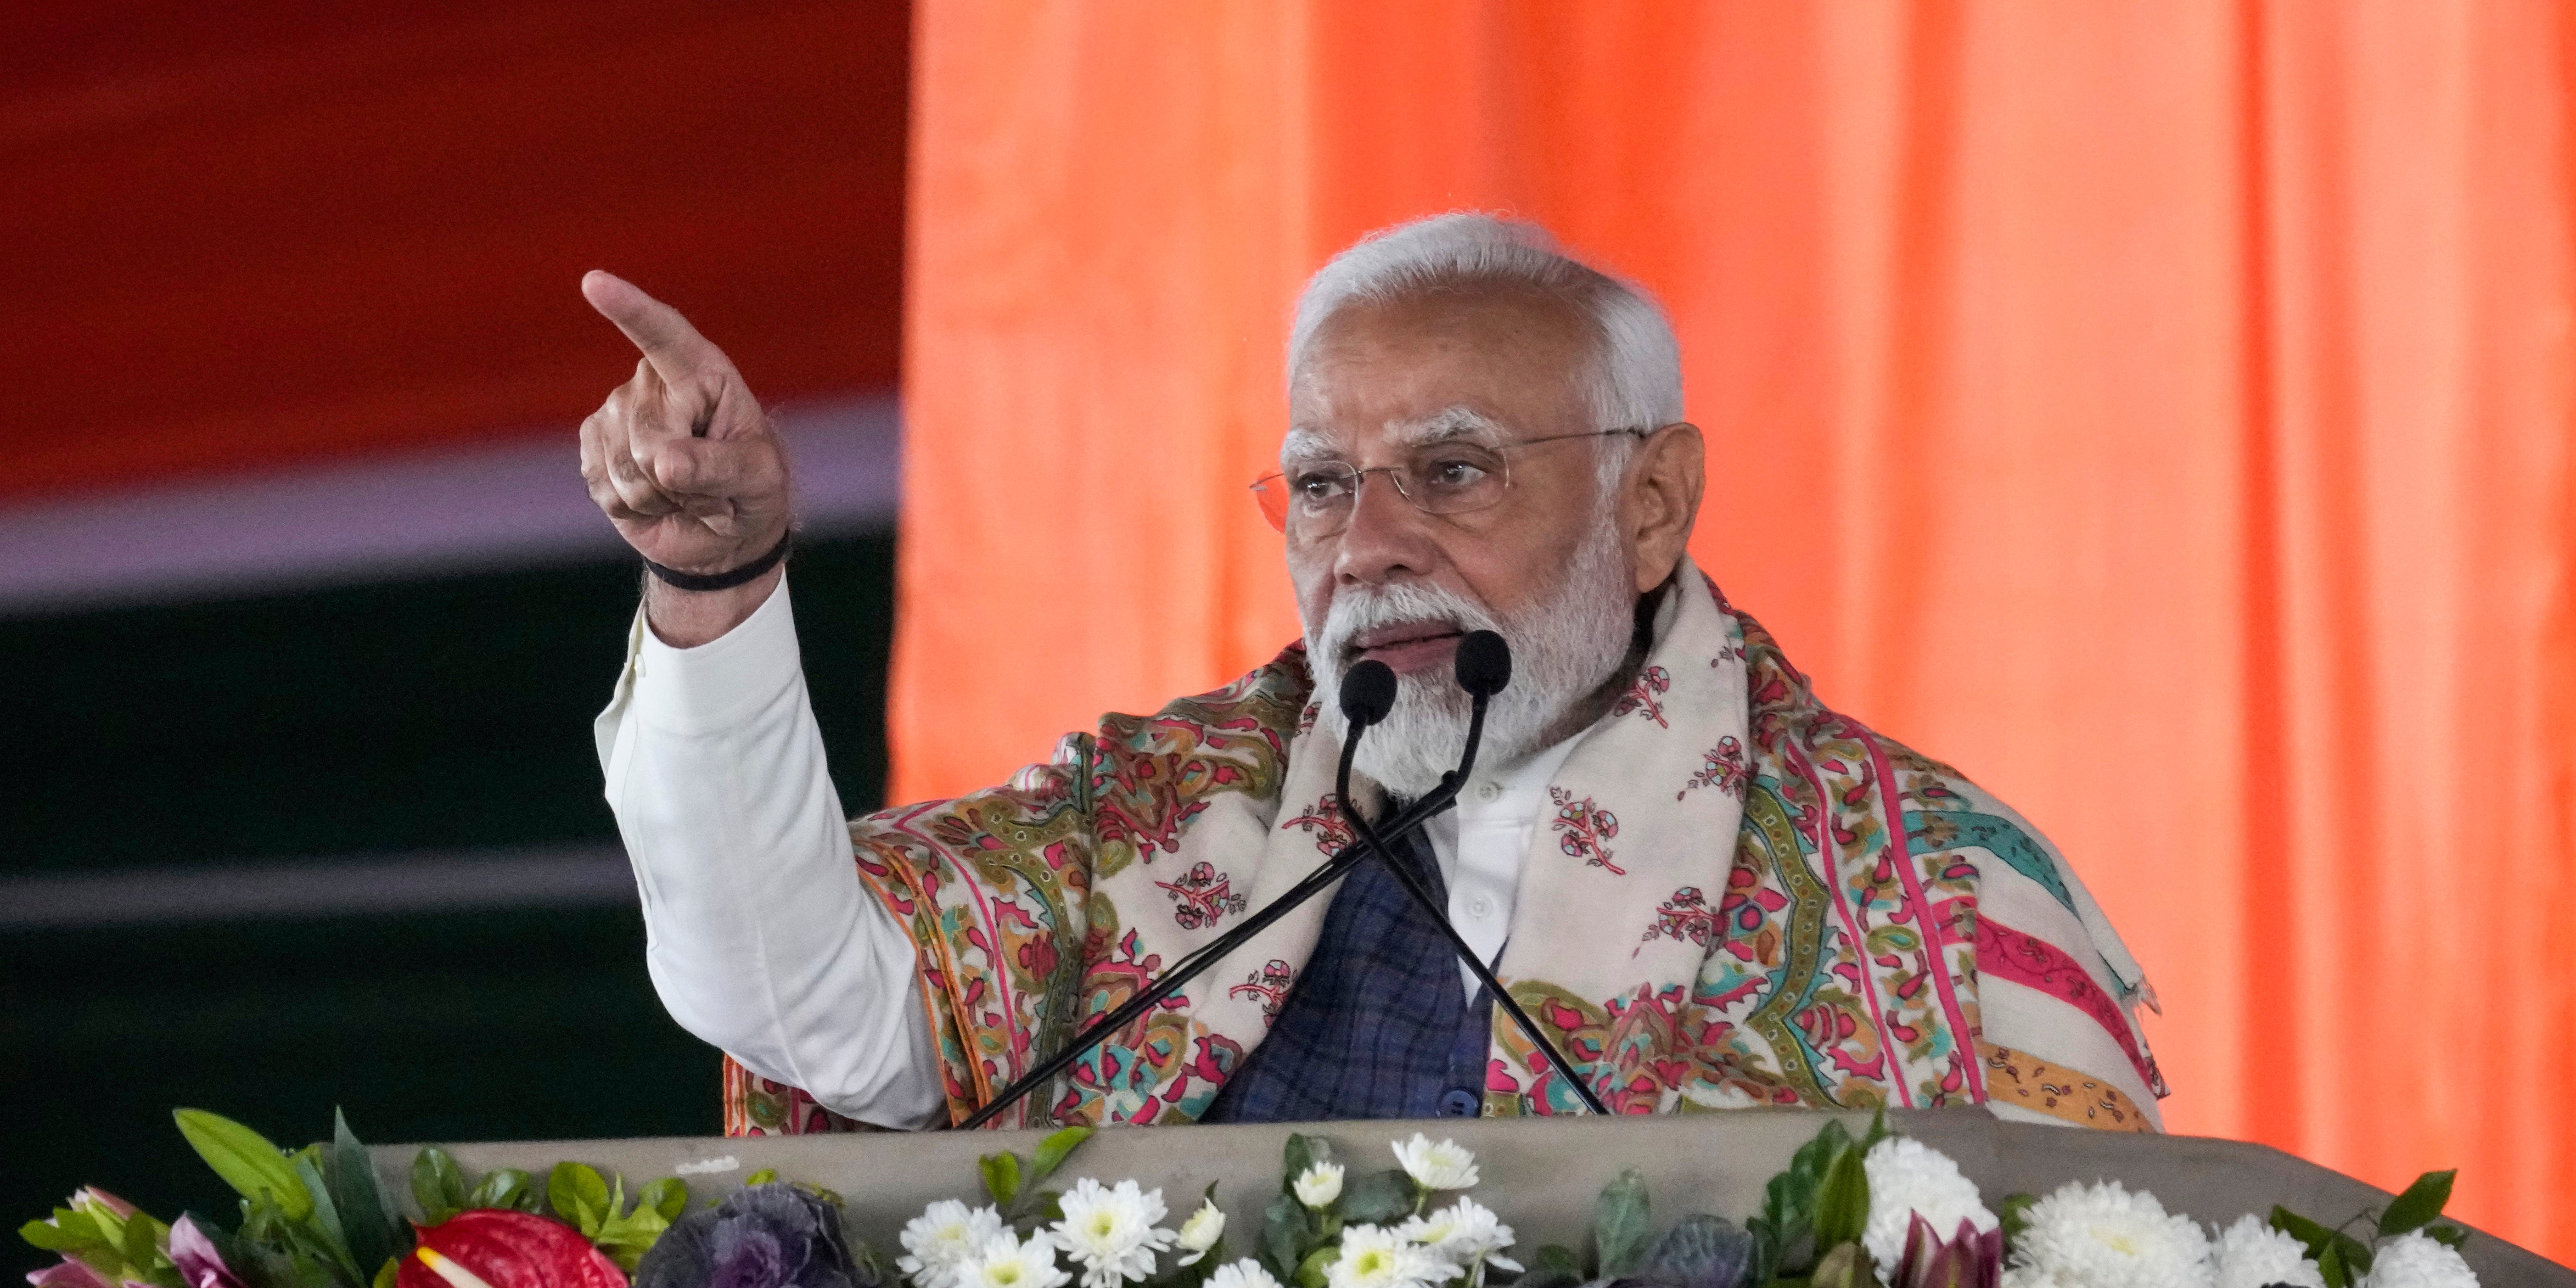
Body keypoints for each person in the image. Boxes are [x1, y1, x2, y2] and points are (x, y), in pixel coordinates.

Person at [587, 213, 2165, 1135]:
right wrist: (712, 584)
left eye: (1456, 470)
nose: (1369, 547)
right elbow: (800, 999)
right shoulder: (1153, 825)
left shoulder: (1948, 902)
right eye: (1324, 484)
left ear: (1655, 499)